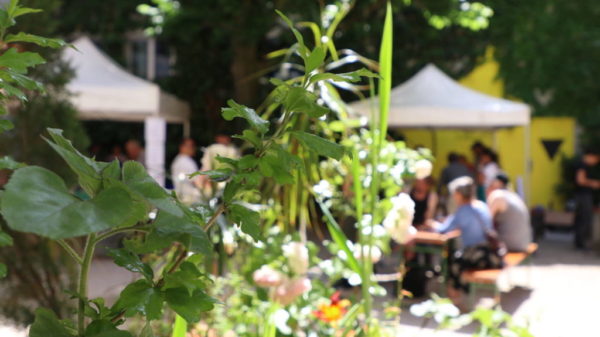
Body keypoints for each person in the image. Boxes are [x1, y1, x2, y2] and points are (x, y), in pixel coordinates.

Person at [434, 176, 503, 301]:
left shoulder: (463, 210)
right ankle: (460, 295)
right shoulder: (481, 205)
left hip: (477, 255)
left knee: (454, 263)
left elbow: (443, 229)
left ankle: (456, 298)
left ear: (459, 194)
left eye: (454, 193)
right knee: (457, 258)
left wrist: (430, 223)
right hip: (491, 254)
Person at [487, 173, 532, 252]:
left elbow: (487, 221)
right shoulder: (514, 195)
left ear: (498, 183)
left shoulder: (497, 195)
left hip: (510, 245)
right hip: (524, 243)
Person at [573, 149, 600, 249]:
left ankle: (579, 242)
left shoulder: (580, 164)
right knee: (584, 218)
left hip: (580, 195)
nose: (595, 162)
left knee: (581, 218)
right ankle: (580, 243)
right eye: (596, 159)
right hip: (583, 195)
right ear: (591, 156)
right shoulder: (582, 165)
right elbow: (580, 180)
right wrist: (594, 183)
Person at [171, 138, 202, 203]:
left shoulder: (178, 160)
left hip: (182, 196)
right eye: (190, 146)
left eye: (193, 146)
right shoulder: (185, 161)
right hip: (189, 198)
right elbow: (196, 181)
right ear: (182, 147)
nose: (192, 148)